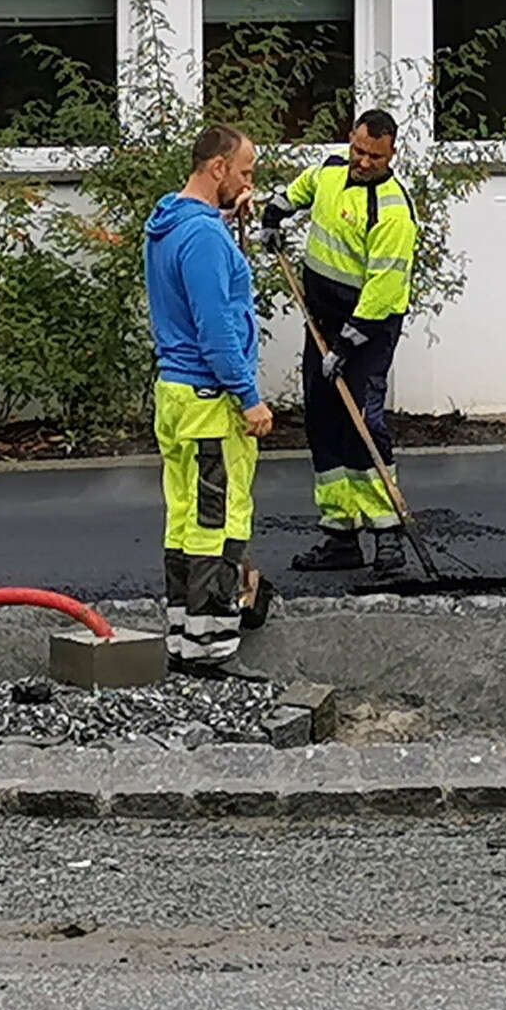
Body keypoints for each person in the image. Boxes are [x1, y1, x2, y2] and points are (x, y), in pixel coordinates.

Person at [262, 109, 420, 576]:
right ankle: (340, 534)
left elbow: (384, 289)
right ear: (350, 139)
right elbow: (299, 191)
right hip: (321, 323)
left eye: (375, 156)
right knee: (323, 420)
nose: (364, 162)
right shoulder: (330, 171)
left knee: (362, 424)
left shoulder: (391, 212)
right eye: (359, 150)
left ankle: (387, 535)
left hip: (366, 332)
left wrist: (346, 347)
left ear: (392, 154)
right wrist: (274, 214)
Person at [145, 125, 276, 673]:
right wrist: (248, 396)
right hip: (209, 399)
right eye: (244, 172)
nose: (249, 183)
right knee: (216, 523)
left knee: (185, 518)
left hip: (177, 393)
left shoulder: (170, 223)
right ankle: (211, 650)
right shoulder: (202, 238)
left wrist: (226, 219)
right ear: (217, 167)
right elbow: (216, 327)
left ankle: (184, 638)